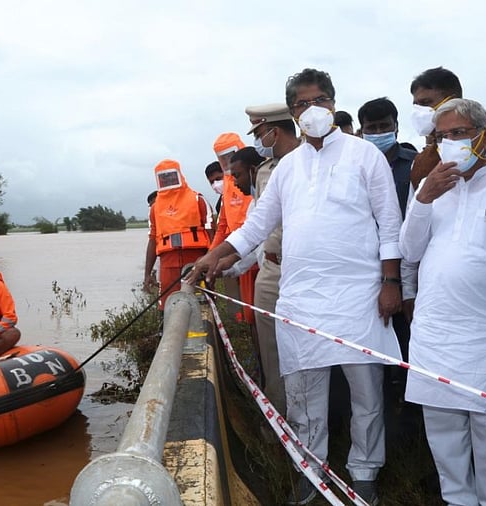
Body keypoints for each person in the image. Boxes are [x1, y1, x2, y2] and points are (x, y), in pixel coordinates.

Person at [188, 68, 402, 505]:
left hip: (360, 299)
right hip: (301, 301)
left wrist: (390, 283)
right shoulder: (287, 170)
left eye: (320, 99)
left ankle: (364, 474)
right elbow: (254, 228)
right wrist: (214, 255)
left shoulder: (365, 156)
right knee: (304, 400)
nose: (312, 109)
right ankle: (311, 471)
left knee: (367, 396)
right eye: (302, 103)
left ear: (333, 102)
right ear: (293, 112)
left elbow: (390, 225)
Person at [401, 98, 486, 506]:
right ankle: (457, 500)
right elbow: (410, 251)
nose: (450, 143)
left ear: (484, 135)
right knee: (443, 435)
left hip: (485, 333)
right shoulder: (433, 186)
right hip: (435, 330)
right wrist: (423, 197)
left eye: (459, 133)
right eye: (442, 135)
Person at [239, 102, 302, 415]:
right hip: (270, 268)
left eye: (260, 133)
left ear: (274, 132)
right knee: (271, 349)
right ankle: (278, 414)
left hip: (303, 270)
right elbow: (256, 225)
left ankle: (314, 420)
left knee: (308, 349)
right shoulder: (264, 171)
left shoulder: (307, 163)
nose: (257, 141)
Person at [358, 97, 419, 367]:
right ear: (361, 131)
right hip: (368, 266)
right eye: (372, 128)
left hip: (410, 263)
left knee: (408, 336)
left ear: (396, 127)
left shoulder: (415, 165)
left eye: (385, 126)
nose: (379, 133)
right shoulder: (355, 167)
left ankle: (408, 402)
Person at [408, 67, 486, 190]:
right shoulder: (420, 161)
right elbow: (414, 206)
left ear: (452, 100)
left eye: (425, 102)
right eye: (416, 105)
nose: (419, 111)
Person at [143, 159, 212, 308]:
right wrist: (147, 274)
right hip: (168, 265)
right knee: (168, 306)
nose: (168, 180)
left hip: (197, 262)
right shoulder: (155, 208)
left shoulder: (198, 199)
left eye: (171, 176)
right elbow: (152, 240)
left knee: (202, 306)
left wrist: (212, 262)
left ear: (179, 175)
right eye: (164, 177)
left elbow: (212, 233)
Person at [210, 132, 258, 325]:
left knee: (260, 311)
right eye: (222, 158)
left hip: (256, 253)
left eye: (230, 155)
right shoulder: (229, 186)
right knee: (248, 312)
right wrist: (211, 255)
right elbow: (222, 226)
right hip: (237, 253)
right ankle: (253, 348)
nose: (227, 161)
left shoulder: (251, 180)